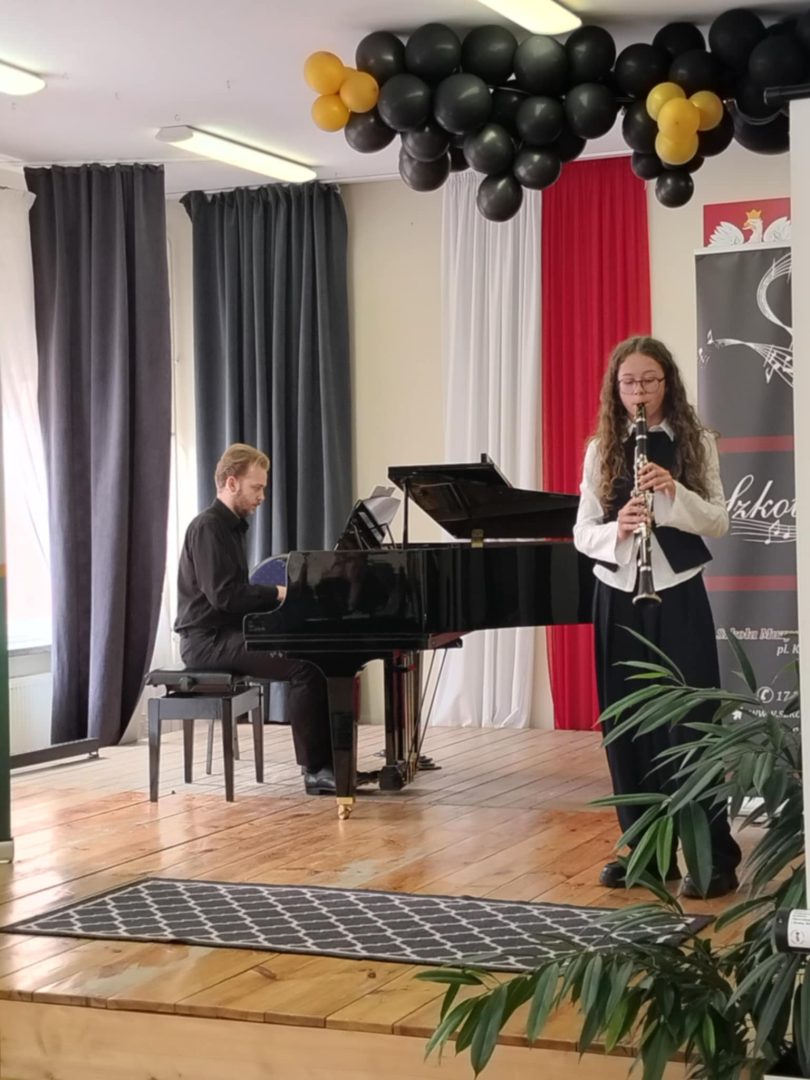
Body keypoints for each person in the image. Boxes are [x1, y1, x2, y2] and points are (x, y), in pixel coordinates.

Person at [573, 336, 742, 899]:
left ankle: (712, 857)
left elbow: (718, 521)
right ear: (615, 388)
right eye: (629, 382)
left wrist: (672, 494)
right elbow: (582, 533)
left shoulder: (697, 442)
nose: (639, 391)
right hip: (617, 592)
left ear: (667, 382)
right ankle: (647, 853)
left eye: (649, 380)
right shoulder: (602, 448)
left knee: (691, 724)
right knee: (627, 726)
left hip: (678, 591)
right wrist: (617, 529)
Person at [174, 443, 336, 795]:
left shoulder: (230, 528)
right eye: (256, 487)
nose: (262, 496)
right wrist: (278, 593)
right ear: (231, 483)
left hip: (226, 634)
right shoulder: (208, 528)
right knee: (305, 666)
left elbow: (234, 597)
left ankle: (330, 762)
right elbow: (226, 596)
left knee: (316, 656)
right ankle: (315, 770)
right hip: (206, 643)